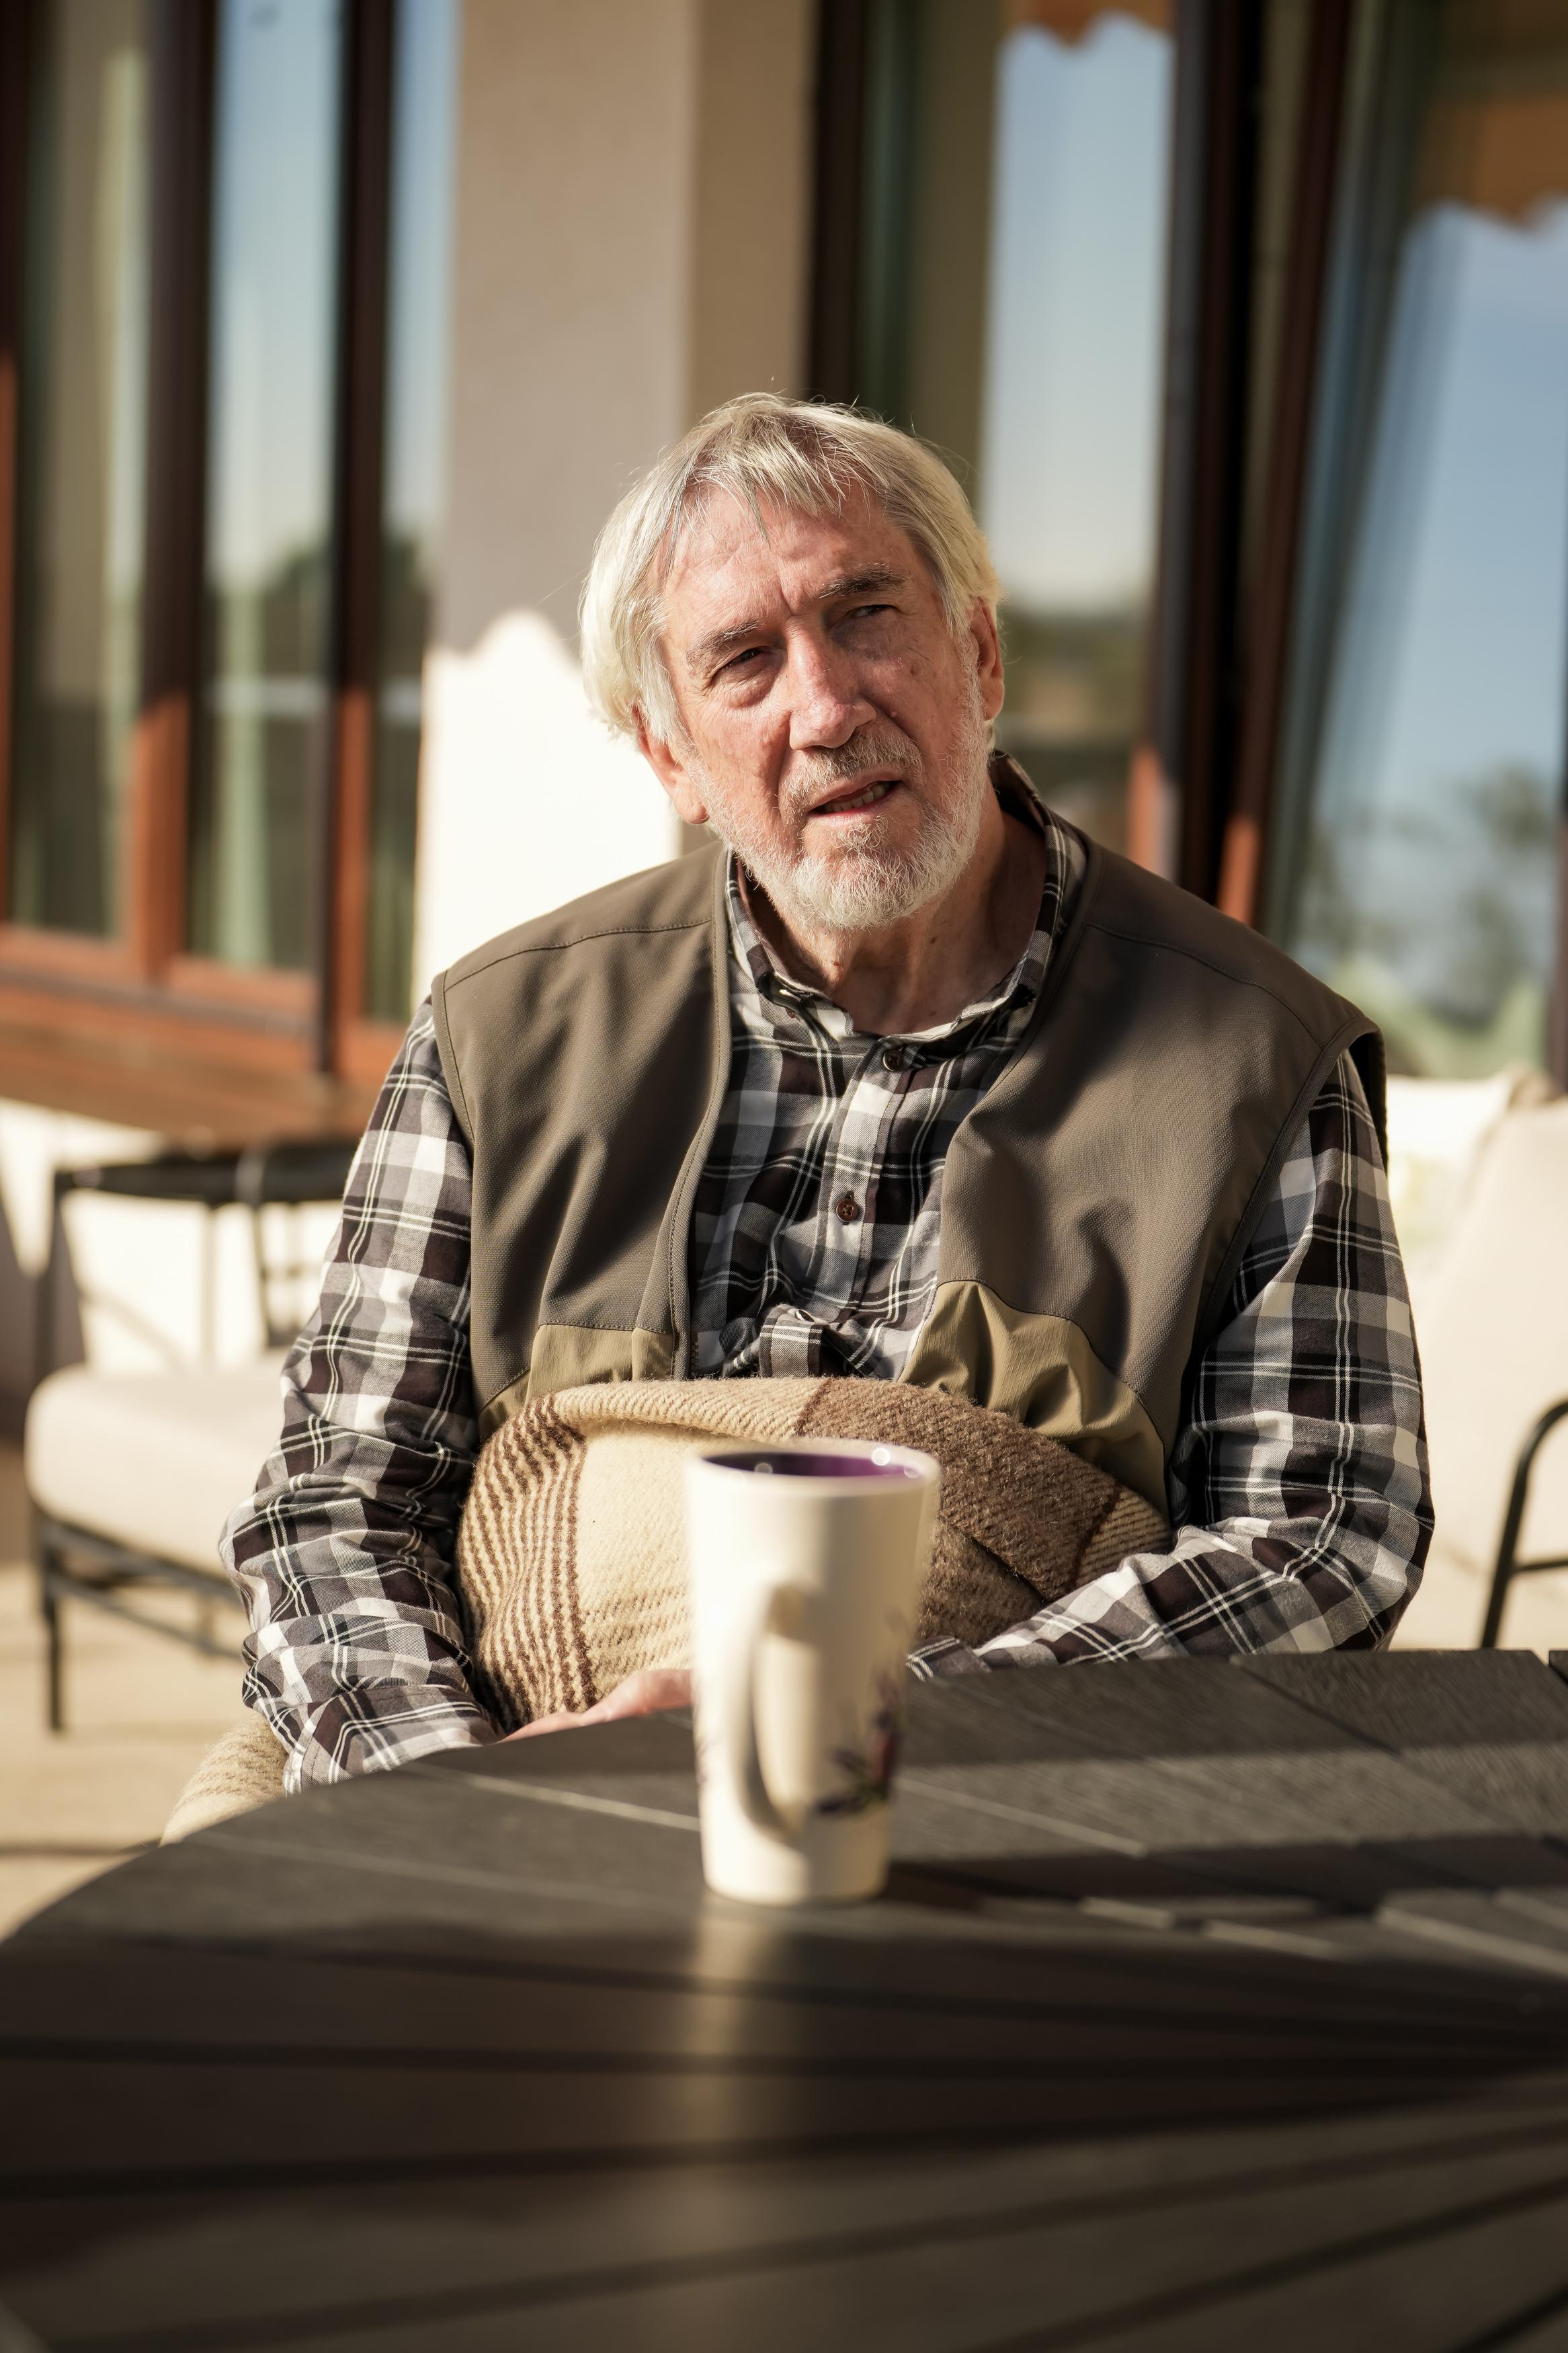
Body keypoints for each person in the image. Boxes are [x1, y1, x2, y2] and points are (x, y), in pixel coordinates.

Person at [222, 395, 1431, 1790]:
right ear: (670, 756)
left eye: (867, 617)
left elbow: (1320, 1540)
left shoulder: (1255, 1058)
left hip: (1006, 1791)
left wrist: (850, 1721)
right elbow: (336, 1501)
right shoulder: (498, 1033)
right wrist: (455, 1786)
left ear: (979, 654)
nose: (828, 706)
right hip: (492, 1761)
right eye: (744, 660)